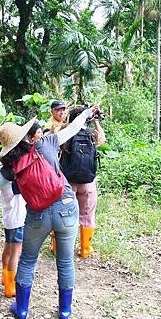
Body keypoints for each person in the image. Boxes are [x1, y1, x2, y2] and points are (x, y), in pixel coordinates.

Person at [0, 107, 95, 319]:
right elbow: (73, 128)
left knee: (28, 260)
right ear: (27, 136)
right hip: (66, 207)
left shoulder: (10, 167)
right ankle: (65, 312)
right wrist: (86, 114)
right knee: (65, 262)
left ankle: (22, 309)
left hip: (38, 215)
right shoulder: (47, 143)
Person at [0, 122, 42, 298]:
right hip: (19, 216)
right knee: (16, 251)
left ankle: (5, 276)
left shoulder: (2, 168)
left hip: (8, 216)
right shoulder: (16, 168)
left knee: (9, 246)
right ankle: (11, 286)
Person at [62, 106, 106, 258]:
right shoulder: (91, 135)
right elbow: (102, 139)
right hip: (88, 182)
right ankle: (85, 249)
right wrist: (96, 122)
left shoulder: (65, 135)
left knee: (64, 214)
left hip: (68, 182)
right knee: (87, 214)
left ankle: (57, 247)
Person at [43, 100, 67, 253]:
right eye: (58, 110)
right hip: (51, 171)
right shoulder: (47, 127)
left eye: (63, 110)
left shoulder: (64, 124)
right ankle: (55, 243)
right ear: (52, 111)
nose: (61, 113)